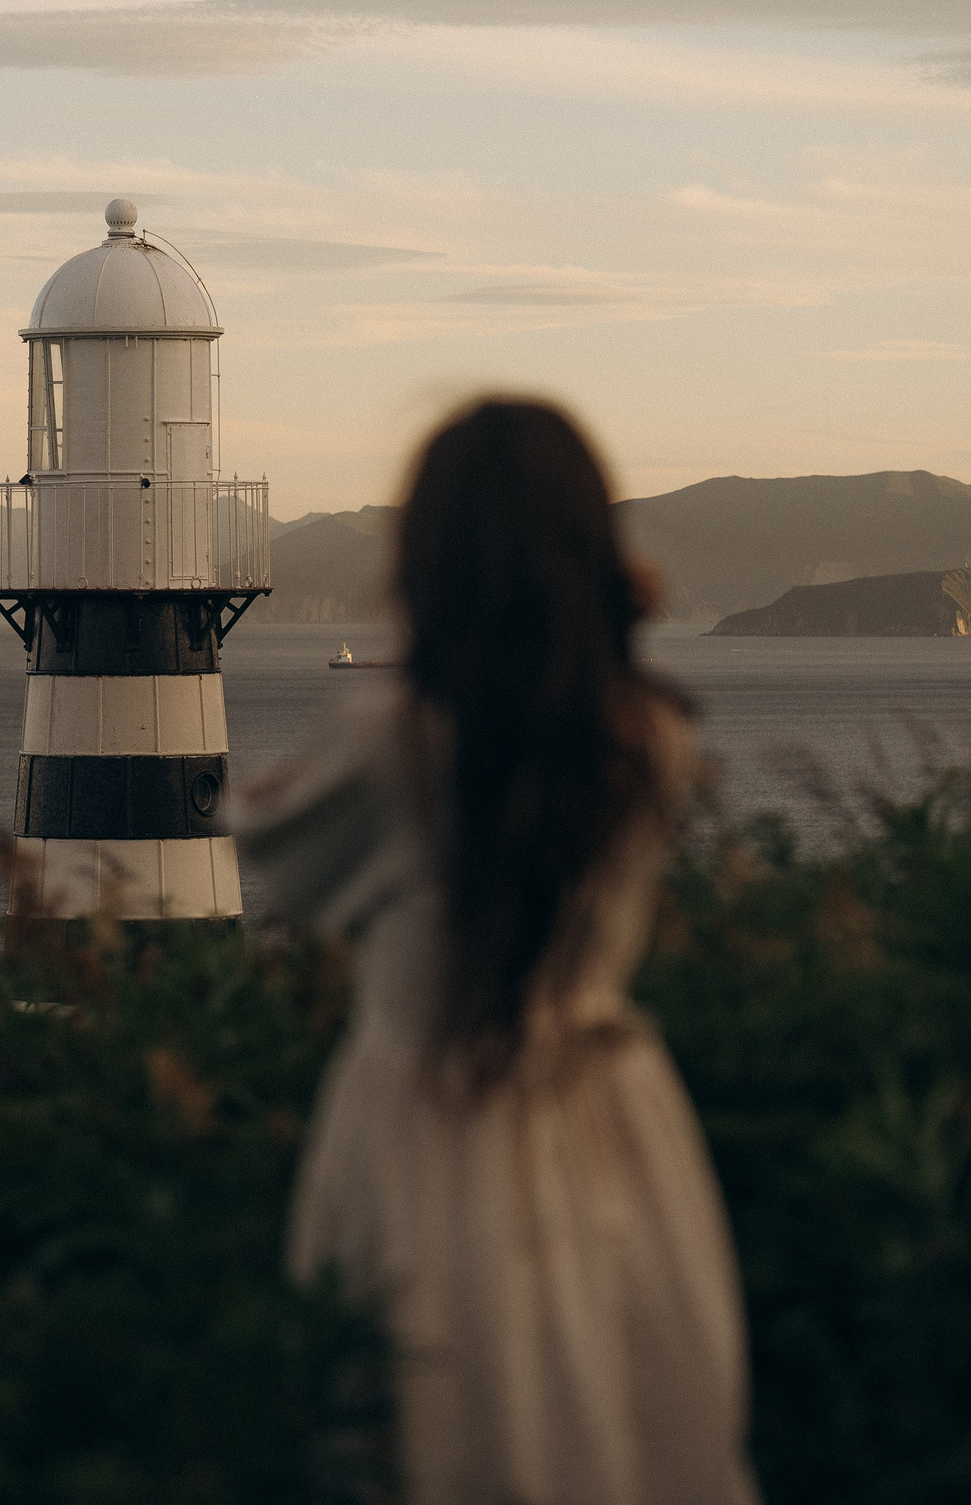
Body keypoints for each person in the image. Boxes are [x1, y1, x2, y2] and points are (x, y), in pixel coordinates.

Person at [240, 399, 758, 1505]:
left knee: (429, 1434)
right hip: (615, 1119)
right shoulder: (650, 738)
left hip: (426, 1124)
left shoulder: (390, 746)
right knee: (625, 1420)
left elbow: (278, 868)